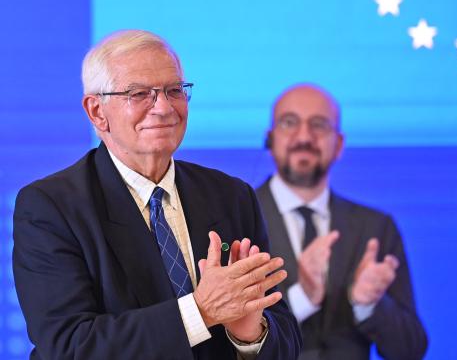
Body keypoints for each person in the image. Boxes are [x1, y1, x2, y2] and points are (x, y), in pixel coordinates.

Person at [12, 30, 301, 360]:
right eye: (139, 94)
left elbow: (285, 338)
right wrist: (201, 311)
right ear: (96, 112)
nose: (163, 107)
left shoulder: (232, 196)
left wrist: (248, 334)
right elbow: (70, 346)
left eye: (174, 90)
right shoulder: (51, 208)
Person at [256, 84, 428, 360]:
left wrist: (369, 304)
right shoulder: (236, 216)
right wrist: (302, 297)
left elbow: (410, 349)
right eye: (289, 123)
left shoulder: (376, 228)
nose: (304, 136)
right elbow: (221, 339)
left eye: (319, 125)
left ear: (338, 144)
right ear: (270, 138)